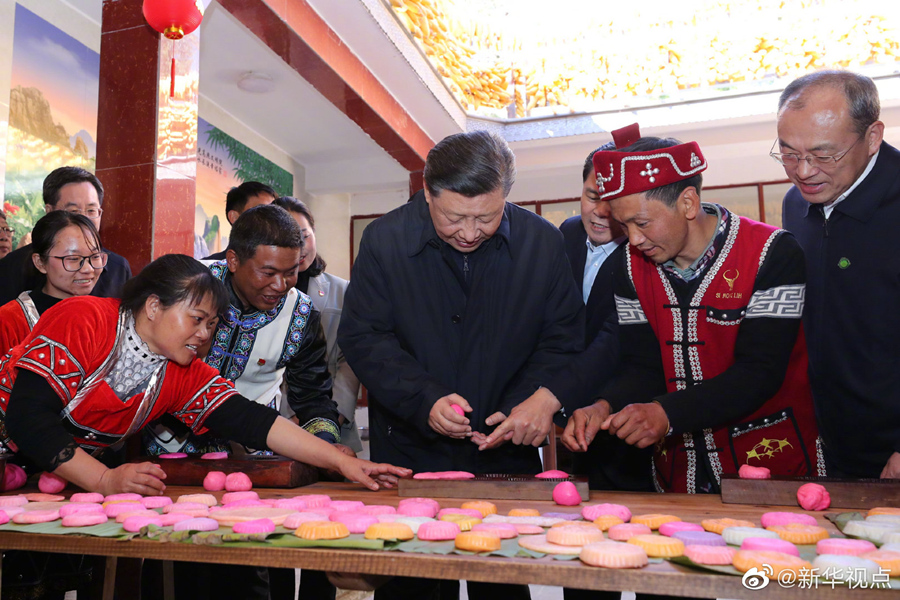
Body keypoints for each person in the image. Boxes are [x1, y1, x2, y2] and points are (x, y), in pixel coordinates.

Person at [338, 130, 583, 600]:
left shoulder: (540, 243)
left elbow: (563, 338)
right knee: (415, 582)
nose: (469, 233)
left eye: (487, 218)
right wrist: (424, 397)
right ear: (426, 192)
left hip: (504, 446)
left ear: (507, 197)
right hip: (412, 445)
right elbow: (364, 337)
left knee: (503, 579)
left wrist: (529, 404)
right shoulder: (385, 240)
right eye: (454, 217)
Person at [0, 252, 408, 490]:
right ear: (155, 305)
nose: (203, 335)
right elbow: (27, 419)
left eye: (212, 326)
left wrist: (341, 463)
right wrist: (105, 481)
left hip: (44, 470)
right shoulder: (84, 319)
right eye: (196, 319)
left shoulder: (180, 370)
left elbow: (252, 420)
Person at [565, 123, 819, 496]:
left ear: (687, 203)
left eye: (642, 222)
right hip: (678, 471)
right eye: (624, 225)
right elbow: (643, 363)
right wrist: (605, 405)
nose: (633, 239)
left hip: (769, 463)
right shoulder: (629, 267)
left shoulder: (772, 253)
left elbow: (760, 371)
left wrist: (666, 414)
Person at [776, 70, 900, 479]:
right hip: (826, 440)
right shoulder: (796, 205)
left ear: (872, 136)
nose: (804, 171)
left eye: (823, 154)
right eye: (789, 153)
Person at [143, 205, 342, 457]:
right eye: (268, 273)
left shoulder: (301, 314)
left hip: (254, 453)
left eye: (290, 273)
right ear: (233, 260)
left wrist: (326, 447)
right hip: (166, 447)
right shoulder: (188, 284)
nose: (280, 285)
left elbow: (314, 397)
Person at [274, 196, 362, 451]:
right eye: (288, 239)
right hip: (275, 426)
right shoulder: (262, 293)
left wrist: (335, 415)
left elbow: (351, 358)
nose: (300, 247)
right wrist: (291, 415)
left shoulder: (343, 291)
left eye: (305, 236)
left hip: (336, 426)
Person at [0, 166, 132, 305]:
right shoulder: (11, 268)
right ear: (50, 211)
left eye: (91, 210)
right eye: (73, 211)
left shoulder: (118, 268)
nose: (84, 219)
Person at [0, 212, 104, 355]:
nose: (88, 268)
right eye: (73, 258)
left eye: (95, 256)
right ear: (40, 262)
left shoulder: (107, 316)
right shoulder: (9, 322)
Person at [204, 181, 278, 261]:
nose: (270, 218)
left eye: (274, 212)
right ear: (234, 217)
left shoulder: (285, 266)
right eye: (261, 211)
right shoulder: (206, 268)